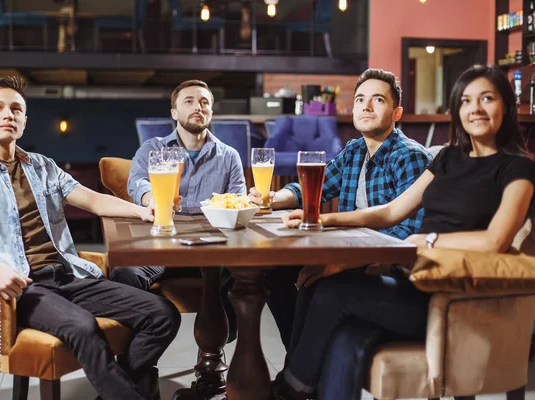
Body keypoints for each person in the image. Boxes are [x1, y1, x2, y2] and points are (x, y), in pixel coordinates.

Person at [272, 64, 535, 400]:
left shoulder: (519, 167)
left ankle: (288, 390)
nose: (476, 109)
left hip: (457, 297)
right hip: (415, 280)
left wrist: (426, 241)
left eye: (487, 98)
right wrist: (322, 220)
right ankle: (297, 387)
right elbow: (391, 211)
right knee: (345, 337)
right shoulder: (449, 158)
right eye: (467, 101)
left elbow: (496, 240)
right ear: (457, 109)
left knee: (332, 291)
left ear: (507, 107)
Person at [0, 76, 181, 400]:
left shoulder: (42, 166)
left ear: (25, 121)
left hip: (67, 276)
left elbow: (93, 200)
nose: (8, 114)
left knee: (163, 315)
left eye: (16, 109)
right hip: (23, 287)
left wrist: (144, 212)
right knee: (83, 328)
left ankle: (116, 392)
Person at [249, 68, 432, 347]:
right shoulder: (354, 150)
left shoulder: (409, 156)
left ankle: (297, 376)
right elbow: (312, 191)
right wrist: (273, 198)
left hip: (386, 266)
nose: (366, 106)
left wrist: (343, 262)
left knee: (315, 279)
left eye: (378, 100)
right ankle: (298, 366)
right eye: (360, 99)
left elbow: (408, 233)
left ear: (397, 113)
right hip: (348, 249)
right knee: (273, 270)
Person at [124, 79, 246, 341]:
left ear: (211, 112)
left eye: (204, 103)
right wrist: (151, 199)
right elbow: (136, 183)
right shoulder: (153, 148)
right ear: (174, 112)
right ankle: (139, 356)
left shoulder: (229, 156)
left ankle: (215, 355)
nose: (198, 107)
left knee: (244, 272)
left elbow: (238, 200)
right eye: (189, 101)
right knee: (126, 273)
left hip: (211, 247)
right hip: (162, 242)